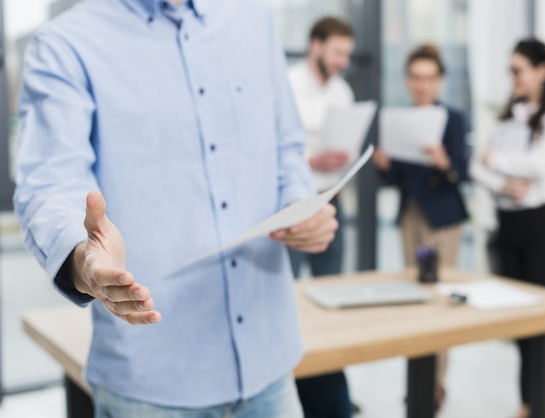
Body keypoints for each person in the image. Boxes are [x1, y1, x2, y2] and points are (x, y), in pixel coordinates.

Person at [13, 1, 340, 417]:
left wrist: (299, 206)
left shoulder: (253, 16)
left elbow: (287, 144)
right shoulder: (66, 44)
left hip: (270, 362)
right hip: (153, 383)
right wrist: (84, 258)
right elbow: (49, 185)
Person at [471, 38, 545, 418]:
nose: (512, 78)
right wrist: (501, 180)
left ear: (542, 70)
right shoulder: (510, 115)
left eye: (517, 70)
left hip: (541, 229)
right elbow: (476, 167)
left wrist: (495, 159)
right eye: (509, 71)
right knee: (522, 326)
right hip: (508, 227)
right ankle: (529, 404)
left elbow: (537, 166)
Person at [372, 44, 469, 409]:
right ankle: (419, 381)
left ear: (439, 80)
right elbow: (399, 177)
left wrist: (444, 162)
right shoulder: (401, 119)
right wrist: (385, 165)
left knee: (439, 298)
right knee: (415, 295)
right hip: (411, 217)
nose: (422, 84)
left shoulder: (453, 119)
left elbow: (460, 173)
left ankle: (435, 384)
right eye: (415, 77)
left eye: (429, 78)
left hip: (441, 220)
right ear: (408, 80)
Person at [287, 16, 356, 418]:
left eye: (348, 53)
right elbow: (274, 150)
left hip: (332, 200)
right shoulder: (288, 85)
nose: (344, 61)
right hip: (296, 206)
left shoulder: (343, 93)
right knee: (290, 294)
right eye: (338, 52)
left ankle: (330, 389)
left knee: (333, 293)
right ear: (316, 46)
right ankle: (292, 385)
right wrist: (314, 160)